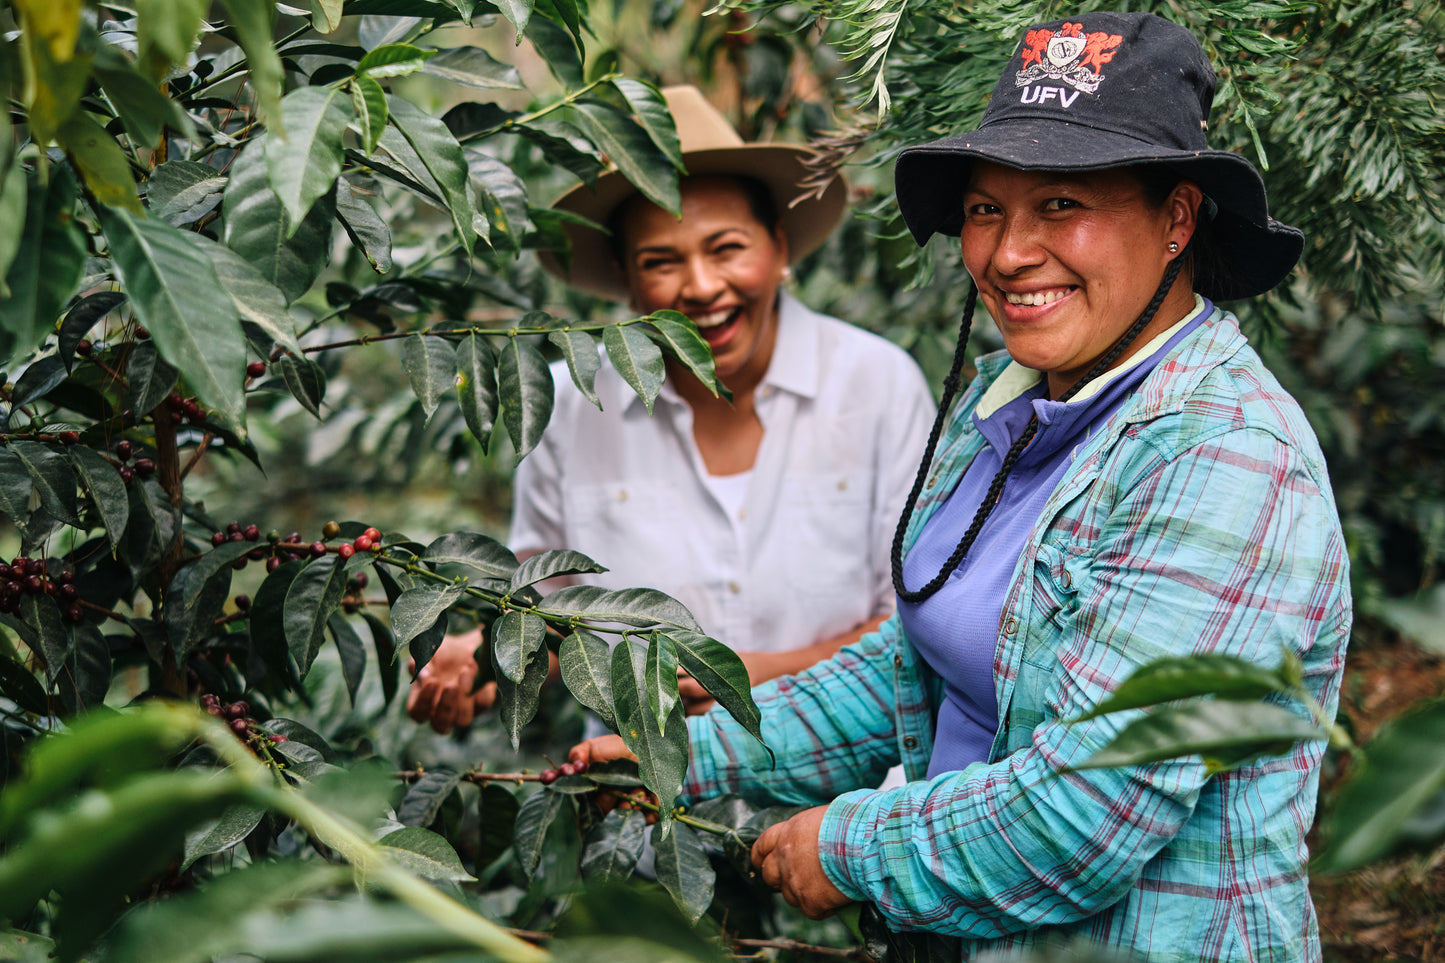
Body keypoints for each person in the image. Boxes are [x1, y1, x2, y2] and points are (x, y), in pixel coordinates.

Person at [571, 14, 1351, 961]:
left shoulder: (1222, 456)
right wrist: (692, 754)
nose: (1008, 253)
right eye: (985, 209)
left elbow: (1087, 811)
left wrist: (850, 848)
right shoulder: (1009, 403)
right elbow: (918, 664)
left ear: (1178, 219)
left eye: (1060, 204)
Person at [406, 86, 935, 734]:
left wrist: (761, 672)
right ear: (627, 279)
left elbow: (914, 622)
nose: (703, 286)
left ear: (776, 248)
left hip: (838, 805)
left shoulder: (875, 386)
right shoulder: (572, 409)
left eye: (727, 247)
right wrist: (481, 660)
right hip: (641, 804)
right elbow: (548, 612)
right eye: (661, 262)